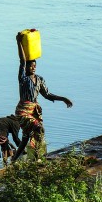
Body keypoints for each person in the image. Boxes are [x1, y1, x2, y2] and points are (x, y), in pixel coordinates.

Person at [11, 32, 73, 162]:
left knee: (26, 137)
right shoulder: (23, 78)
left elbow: (47, 95)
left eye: (34, 66)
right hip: (23, 111)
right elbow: (22, 61)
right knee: (39, 128)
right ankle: (37, 157)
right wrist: (19, 42)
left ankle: (14, 160)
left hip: (33, 111)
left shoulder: (40, 80)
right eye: (30, 66)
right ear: (26, 67)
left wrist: (63, 99)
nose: (33, 67)